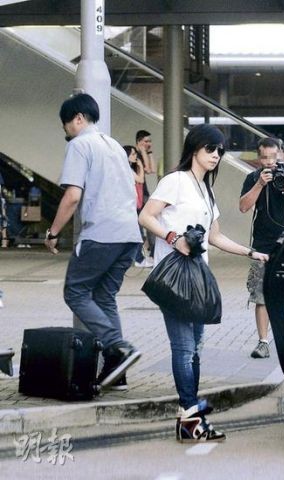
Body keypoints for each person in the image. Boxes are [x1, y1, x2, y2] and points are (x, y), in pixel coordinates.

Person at [139, 124, 269, 443]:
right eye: (210, 148)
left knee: (195, 349)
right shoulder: (176, 181)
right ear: (195, 148)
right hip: (175, 278)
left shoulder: (205, 189)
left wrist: (250, 252)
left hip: (198, 278)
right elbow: (146, 215)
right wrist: (175, 238)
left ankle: (189, 415)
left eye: (220, 151)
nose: (216, 155)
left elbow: (215, 236)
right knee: (185, 349)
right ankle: (190, 418)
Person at [44, 93, 143, 391]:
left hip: (102, 234)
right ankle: (118, 371)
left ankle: (117, 346)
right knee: (104, 297)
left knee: (75, 292)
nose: (66, 132)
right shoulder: (114, 146)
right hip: (129, 235)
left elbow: (72, 196)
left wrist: (53, 232)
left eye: (66, 125)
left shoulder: (80, 145)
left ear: (78, 118)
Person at [239, 137, 284, 358]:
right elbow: (243, 207)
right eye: (264, 158)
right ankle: (263, 342)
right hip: (263, 245)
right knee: (261, 294)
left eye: (273, 157)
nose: (269, 162)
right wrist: (259, 184)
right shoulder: (253, 178)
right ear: (259, 158)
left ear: (281, 154)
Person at [123, 145, 151, 267]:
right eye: (133, 154)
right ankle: (139, 260)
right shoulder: (126, 169)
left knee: (136, 232)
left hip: (132, 205)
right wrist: (140, 167)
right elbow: (140, 180)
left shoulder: (128, 168)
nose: (135, 156)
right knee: (137, 233)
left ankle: (138, 258)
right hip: (129, 206)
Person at [135, 130, 156, 264]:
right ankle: (141, 255)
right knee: (141, 224)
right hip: (137, 195)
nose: (149, 143)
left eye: (150, 141)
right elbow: (147, 169)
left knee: (150, 222)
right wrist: (143, 152)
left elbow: (152, 170)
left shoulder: (143, 154)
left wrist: (149, 152)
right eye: (146, 141)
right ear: (139, 142)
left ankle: (152, 253)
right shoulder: (134, 155)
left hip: (145, 193)